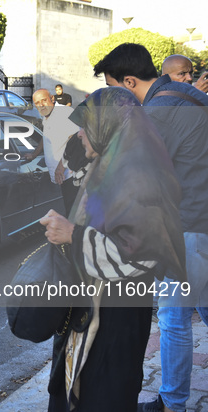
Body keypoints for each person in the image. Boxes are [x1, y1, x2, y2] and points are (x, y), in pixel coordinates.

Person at [41, 87, 185, 412]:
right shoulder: (114, 163)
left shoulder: (138, 176)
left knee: (104, 395)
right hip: (99, 310)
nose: (80, 133)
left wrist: (73, 236)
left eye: (86, 125)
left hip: (115, 317)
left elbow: (140, 253)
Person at [93, 42, 208, 412]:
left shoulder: (156, 114)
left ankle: (173, 404)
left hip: (186, 228)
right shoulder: (191, 95)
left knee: (174, 318)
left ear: (129, 82)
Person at [27, 89, 80, 215]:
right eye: (37, 103)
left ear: (52, 98)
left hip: (71, 174)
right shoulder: (48, 115)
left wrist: (60, 168)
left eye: (44, 100)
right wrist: (34, 154)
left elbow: (75, 140)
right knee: (68, 211)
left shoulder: (63, 113)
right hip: (63, 175)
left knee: (73, 213)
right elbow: (46, 136)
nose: (41, 105)